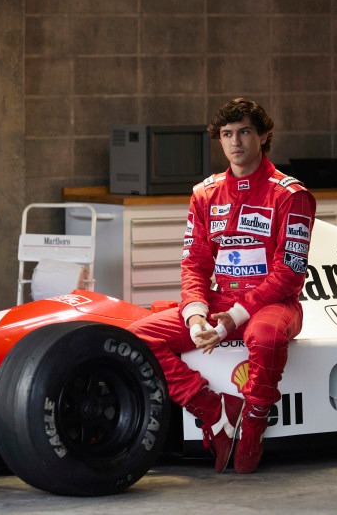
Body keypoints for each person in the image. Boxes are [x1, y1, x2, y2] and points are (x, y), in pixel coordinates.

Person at [128, 97, 316, 474]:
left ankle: (253, 426)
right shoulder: (205, 193)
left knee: (265, 337)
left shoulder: (292, 195)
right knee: (139, 338)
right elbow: (194, 264)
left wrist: (235, 316)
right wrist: (196, 314)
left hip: (275, 304)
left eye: (244, 132)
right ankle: (212, 409)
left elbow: (289, 274)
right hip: (220, 300)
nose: (235, 142)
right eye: (227, 134)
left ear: (263, 136)